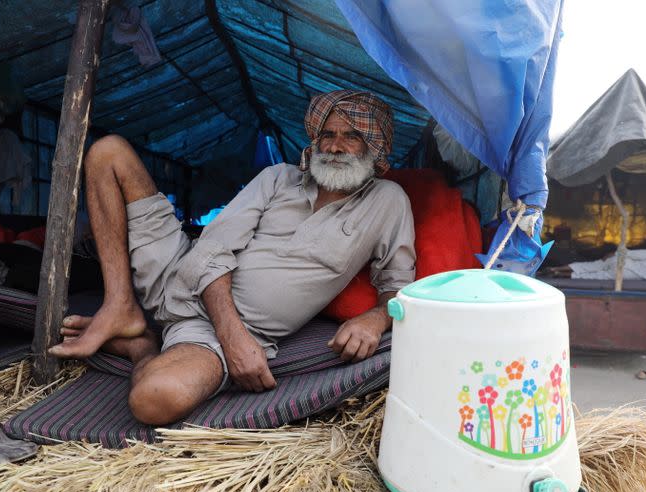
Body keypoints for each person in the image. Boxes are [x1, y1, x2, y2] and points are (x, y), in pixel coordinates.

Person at [48, 90, 416, 424]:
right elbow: (212, 248)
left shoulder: (388, 201)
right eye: (327, 134)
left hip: (205, 330)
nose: (334, 146)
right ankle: (120, 305)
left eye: (351, 136)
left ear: (374, 147)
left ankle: (141, 346)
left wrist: (375, 319)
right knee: (108, 151)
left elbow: (400, 287)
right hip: (177, 266)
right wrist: (234, 340)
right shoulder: (278, 178)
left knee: (153, 399)